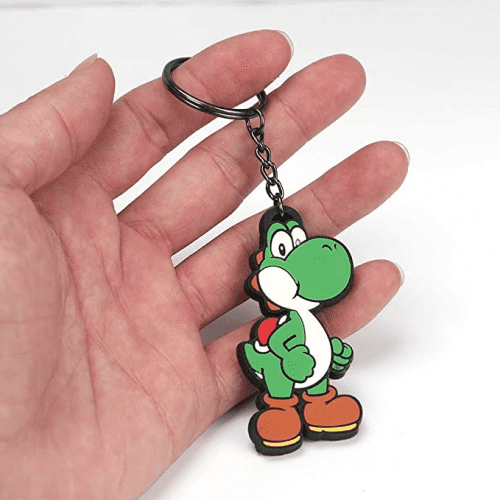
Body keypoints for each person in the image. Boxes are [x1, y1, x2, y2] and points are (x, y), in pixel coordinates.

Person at [0, 30, 407, 499]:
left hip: (310, 368)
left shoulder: (301, 310)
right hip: (285, 366)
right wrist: (298, 357)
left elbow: (316, 337)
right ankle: (279, 411)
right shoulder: (285, 321)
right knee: (281, 382)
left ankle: (320, 404)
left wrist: (331, 353)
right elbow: (287, 346)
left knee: (318, 383)